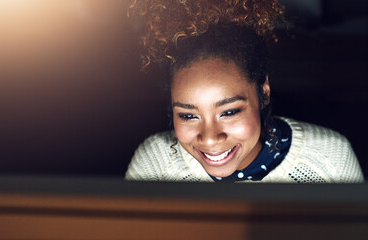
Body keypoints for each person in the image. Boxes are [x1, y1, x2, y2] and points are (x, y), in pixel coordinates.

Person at [125, 0, 364, 183]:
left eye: (229, 112)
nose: (209, 137)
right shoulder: (155, 164)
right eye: (188, 115)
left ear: (264, 91)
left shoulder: (330, 159)